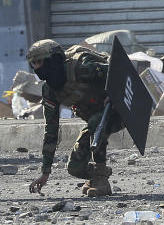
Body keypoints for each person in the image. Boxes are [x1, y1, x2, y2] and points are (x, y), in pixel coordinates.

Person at [25, 40, 123, 198]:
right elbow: (51, 131)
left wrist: (113, 93)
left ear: (53, 60)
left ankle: (101, 180)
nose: (36, 67)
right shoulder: (50, 91)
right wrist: (45, 173)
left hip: (117, 111)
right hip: (95, 121)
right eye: (33, 64)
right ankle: (98, 175)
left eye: (40, 62)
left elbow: (117, 71)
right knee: (75, 167)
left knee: (95, 122)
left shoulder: (80, 69)